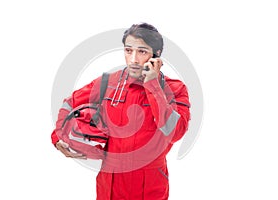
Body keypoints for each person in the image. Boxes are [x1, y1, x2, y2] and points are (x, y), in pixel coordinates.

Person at [51, 23, 191, 200]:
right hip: (110, 185)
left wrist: (152, 85)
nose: (133, 59)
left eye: (141, 51)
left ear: (156, 55)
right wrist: (58, 137)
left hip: (149, 187)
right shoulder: (108, 83)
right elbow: (69, 105)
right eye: (128, 50)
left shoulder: (174, 89)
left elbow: (176, 132)